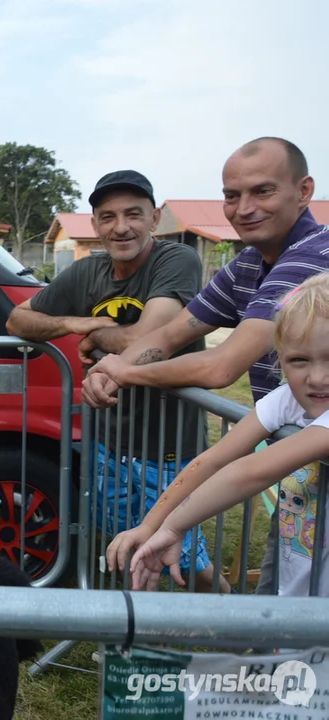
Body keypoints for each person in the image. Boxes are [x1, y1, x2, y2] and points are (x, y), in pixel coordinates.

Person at [90, 137, 329, 594]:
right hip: (302, 477)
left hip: (303, 454)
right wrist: (114, 363)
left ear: (304, 191)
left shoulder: (314, 264)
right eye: (231, 195)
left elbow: (223, 366)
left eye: (262, 191)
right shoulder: (248, 263)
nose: (244, 208)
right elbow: (173, 332)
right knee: (287, 602)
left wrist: (124, 372)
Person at [6, 169, 227, 591]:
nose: (121, 227)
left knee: (184, 558)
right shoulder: (88, 271)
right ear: (94, 225)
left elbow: (149, 334)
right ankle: (134, 642)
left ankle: (243, 626)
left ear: (155, 217)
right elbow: (17, 319)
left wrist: (97, 336)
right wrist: (76, 322)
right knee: (127, 545)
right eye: (108, 217)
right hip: (107, 441)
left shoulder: (177, 260)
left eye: (133, 214)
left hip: (168, 448)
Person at [122, 272, 329, 597]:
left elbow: (250, 471)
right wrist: (151, 525)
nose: (317, 377)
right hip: (299, 593)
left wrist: (175, 525)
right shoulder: (288, 397)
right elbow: (213, 461)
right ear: (280, 358)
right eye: (299, 360)